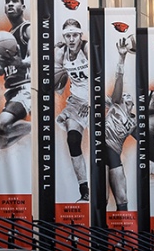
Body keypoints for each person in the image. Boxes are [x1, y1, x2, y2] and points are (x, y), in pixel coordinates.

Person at [54, 19, 93, 201]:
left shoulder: (86, 49)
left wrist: (91, 100)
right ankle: (84, 189)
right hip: (76, 101)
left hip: (95, 97)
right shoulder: (60, 52)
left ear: (80, 35)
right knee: (73, 139)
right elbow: (59, 88)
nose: (71, 39)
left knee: (105, 145)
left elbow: (98, 75)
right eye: (68, 36)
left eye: (74, 35)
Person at [101, 34, 135, 212]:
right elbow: (118, 86)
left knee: (122, 196)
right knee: (103, 196)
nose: (127, 99)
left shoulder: (134, 121)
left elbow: (147, 139)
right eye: (125, 97)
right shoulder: (115, 103)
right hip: (101, 148)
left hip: (114, 153)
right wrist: (122, 58)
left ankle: (123, 233)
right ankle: (101, 234)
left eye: (130, 99)